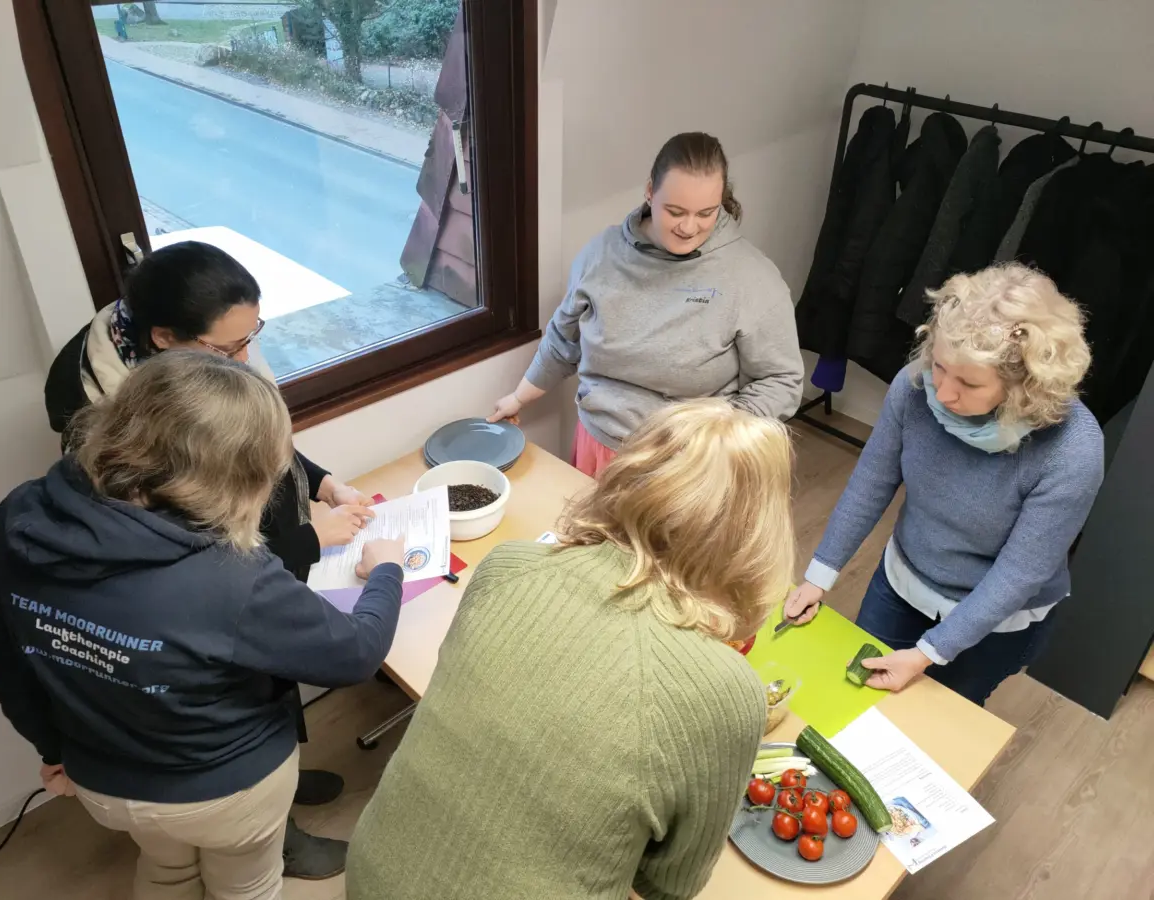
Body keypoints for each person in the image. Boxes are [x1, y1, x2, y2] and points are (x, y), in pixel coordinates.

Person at [0, 352, 406, 900]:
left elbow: (3, 659)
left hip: (102, 779)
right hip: (226, 789)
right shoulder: (230, 575)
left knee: (167, 867)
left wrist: (51, 749)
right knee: (247, 885)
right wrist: (388, 570)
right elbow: (358, 652)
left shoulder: (21, 516)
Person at [346, 399, 796, 900]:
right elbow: (669, 884)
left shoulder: (507, 564)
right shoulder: (728, 689)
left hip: (372, 873)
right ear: (756, 536)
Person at [43, 240, 369, 878]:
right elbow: (191, 563)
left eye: (254, 337)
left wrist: (320, 481)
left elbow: (249, 436)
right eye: (232, 349)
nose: (249, 359)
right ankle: (279, 830)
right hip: (211, 600)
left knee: (273, 682)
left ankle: (285, 778)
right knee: (245, 689)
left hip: (248, 557)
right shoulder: (100, 410)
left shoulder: (202, 339)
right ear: (165, 338)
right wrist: (310, 540)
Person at [784, 265, 1104, 706]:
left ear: (1025, 386)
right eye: (939, 365)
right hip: (902, 578)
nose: (944, 391)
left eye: (969, 383)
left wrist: (928, 653)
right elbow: (871, 481)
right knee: (857, 702)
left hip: (994, 620)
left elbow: (1019, 573)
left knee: (934, 725)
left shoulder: (1072, 449)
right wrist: (820, 575)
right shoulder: (916, 387)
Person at [489, 131, 804, 477]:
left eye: (706, 213)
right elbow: (563, 342)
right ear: (650, 191)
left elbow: (782, 379)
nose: (688, 227)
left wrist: (717, 442)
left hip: (687, 467)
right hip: (598, 445)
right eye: (675, 211)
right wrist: (517, 399)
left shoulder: (752, 277)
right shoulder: (601, 255)